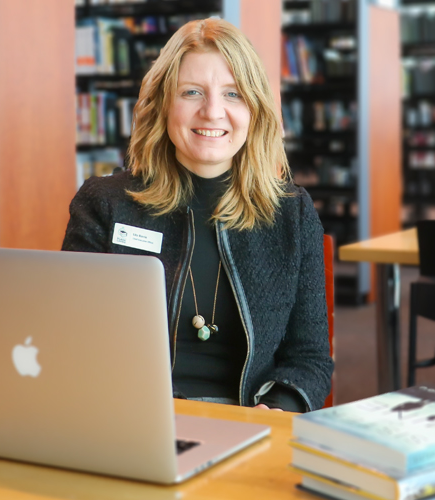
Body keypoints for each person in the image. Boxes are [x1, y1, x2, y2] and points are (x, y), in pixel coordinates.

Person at [61, 18, 332, 413]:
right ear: (164, 103)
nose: (212, 112)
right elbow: (71, 338)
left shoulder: (291, 213)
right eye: (192, 92)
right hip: (131, 416)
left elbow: (310, 358)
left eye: (233, 94)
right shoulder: (104, 203)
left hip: (249, 421)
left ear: (254, 109)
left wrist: (276, 411)